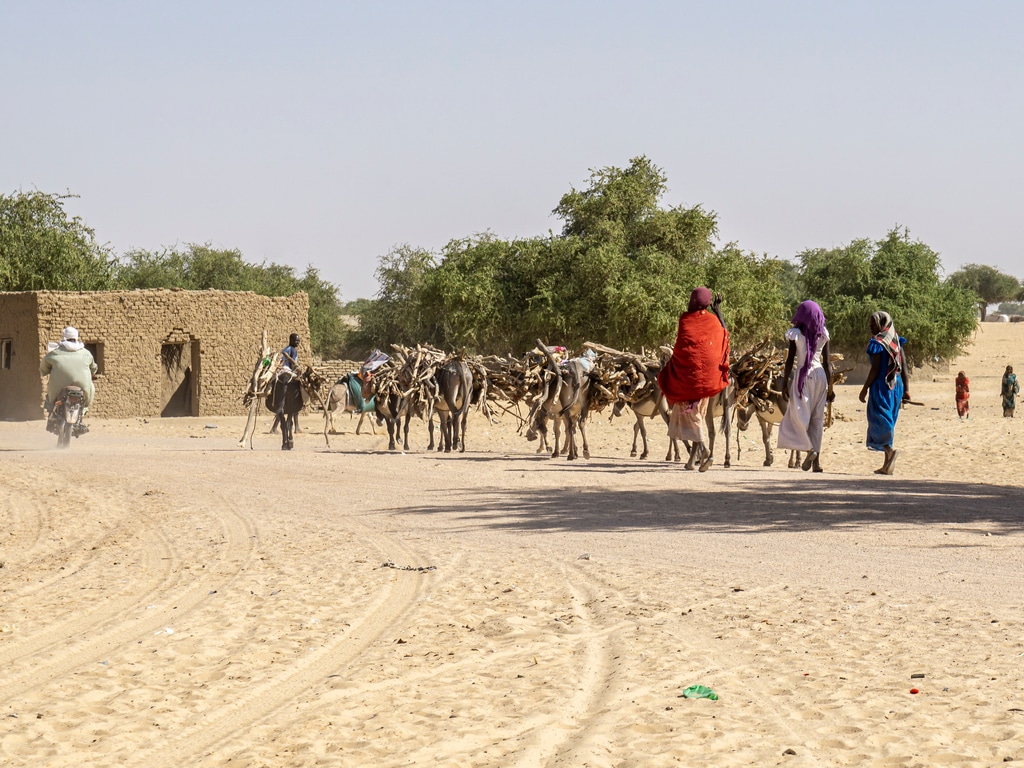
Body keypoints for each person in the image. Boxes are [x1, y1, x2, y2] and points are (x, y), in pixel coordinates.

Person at [657, 287, 730, 471]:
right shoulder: (713, 320)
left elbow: (683, 349)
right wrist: (719, 312)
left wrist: (674, 368)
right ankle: (691, 461)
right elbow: (725, 335)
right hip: (707, 381)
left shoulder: (685, 320)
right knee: (698, 414)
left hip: (687, 381)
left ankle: (704, 449)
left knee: (693, 415)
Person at [777, 300, 833, 472]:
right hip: (821, 377)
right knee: (817, 419)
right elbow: (828, 363)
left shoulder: (795, 334)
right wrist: (830, 389)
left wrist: (785, 383)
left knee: (799, 416)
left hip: (804, 376)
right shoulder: (823, 333)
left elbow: (789, 361)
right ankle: (816, 461)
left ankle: (809, 450)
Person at [858, 311, 911, 475]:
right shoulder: (895, 342)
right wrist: (907, 390)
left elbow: (875, 370)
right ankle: (887, 465)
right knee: (889, 418)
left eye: (873, 323)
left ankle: (889, 450)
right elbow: (904, 368)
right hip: (896, 387)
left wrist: (864, 388)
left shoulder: (879, 343)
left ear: (882, 324)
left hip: (882, 386)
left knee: (880, 418)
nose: (870, 326)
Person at [40, 326, 97, 431]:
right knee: (91, 390)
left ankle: (52, 416)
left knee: (51, 396)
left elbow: (43, 367)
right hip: (82, 386)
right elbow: (94, 367)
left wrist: (45, 371)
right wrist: (93, 373)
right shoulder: (86, 353)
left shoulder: (54, 353)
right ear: (76, 337)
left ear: (64, 336)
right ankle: (83, 411)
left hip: (58, 387)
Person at [271, 333, 302, 434]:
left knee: (283, 404)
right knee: (297, 395)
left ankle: (276, 427)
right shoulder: (291, 350)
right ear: (291, 340)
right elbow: (291, 364)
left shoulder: (287, 349)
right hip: (288, 371)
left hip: (284, 371)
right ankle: (294, 427)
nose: (298, 342)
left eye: (299, 341)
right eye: (296, 340)